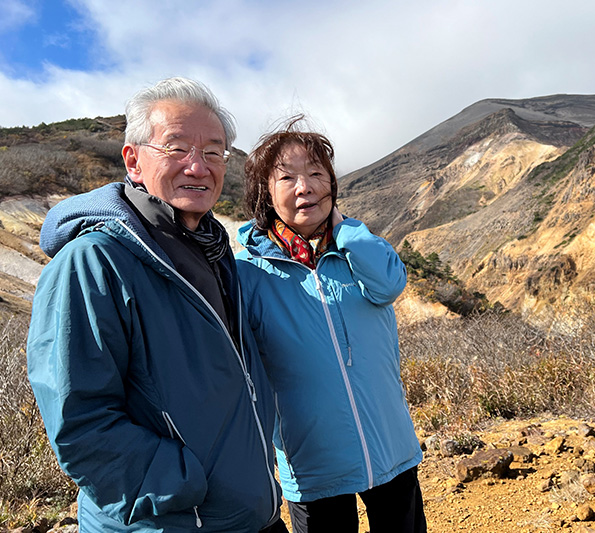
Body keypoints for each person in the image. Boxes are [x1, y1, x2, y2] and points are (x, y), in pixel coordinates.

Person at [27, 77, 287, 533]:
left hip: (253, 516)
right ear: (133, 160)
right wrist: (183, 488)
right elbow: (80, 423)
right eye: (176, 148)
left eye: (212, 152)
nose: (197, 166)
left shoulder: (214, 252)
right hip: (176, 521)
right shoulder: (93, 262)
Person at [235, 117, 427, 533]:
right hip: (313, 464)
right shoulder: (248, 273)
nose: (305, 187)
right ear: (266, 195)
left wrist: (347, 231)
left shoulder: (357, 253)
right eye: (287, 178)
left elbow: (390, 283)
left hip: (388, 446)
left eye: (317, 174)